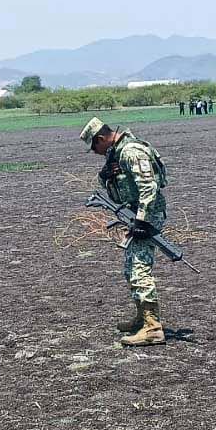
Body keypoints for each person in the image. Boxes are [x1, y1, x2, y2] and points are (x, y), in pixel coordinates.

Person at [80, 117, 171, 346]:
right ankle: (143, 318)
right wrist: (106, 175)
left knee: (139, 270)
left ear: (101, 138)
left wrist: (141, 221)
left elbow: (148, 187)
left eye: (94, 147)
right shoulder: (117, 153)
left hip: (146, 218)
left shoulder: (130, 152)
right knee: (130, 269)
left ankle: (153, 329)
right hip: (136, 216)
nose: (95, 152)